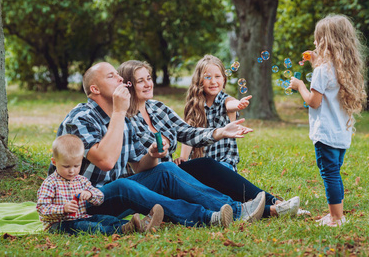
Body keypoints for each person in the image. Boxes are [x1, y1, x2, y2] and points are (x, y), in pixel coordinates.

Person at [48, 62, 266, 228]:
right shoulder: (80, 118)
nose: (119, 79)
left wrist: (152, 154)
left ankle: (237, 210)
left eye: (118, 74)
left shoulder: (123, 117)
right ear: (95, 89)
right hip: (78, 201)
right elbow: (105, 161)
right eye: (111, 76)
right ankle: (207, 217)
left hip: (111, 197)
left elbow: (140, 167)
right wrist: (118, 112)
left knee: (166, 169)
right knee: (124, 185)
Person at [118, 60, 302, 219]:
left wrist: (220, 132)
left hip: (173, 173)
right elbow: (137, 167)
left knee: (206, 165)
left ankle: (276, 202)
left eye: (148, 78)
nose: (148, 84)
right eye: (140, 81)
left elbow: (189, 133)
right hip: (154, 181)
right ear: (127, 85)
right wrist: (153, 154)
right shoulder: (124, 118)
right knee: (193, 184)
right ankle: (267, 211)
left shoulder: (158, 108)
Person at [289, 14, 367, 227]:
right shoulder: (344, 69)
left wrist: (299, 86)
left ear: (325, 42)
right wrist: (316, 63)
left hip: (325, 134)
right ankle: (336, 214)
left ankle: (336, 218)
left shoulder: (322, 71)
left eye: (317, 39)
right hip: (341, 134)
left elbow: (314, 102)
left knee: (330, 175)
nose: (314, 43)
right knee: (335, 173)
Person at [38, 134, 164, 235]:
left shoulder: (81, 180)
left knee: (105, 219)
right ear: (54, 162)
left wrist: (90, 194)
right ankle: (124, 230)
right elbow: (42, 209)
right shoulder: (50, 183)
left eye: (76, 166)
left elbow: (100, 198)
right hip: (59, 225)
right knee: (88, 227)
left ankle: (140, 224)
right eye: (66, 166)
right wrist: (63, 209)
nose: (72, 171)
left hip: (83, 217)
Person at [179, 55, 251, 172]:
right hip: (202, 165)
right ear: (199, 80)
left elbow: (230, 104)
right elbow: (189, 135)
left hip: (224, 165)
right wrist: (183, 158)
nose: (213, 81)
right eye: (207, 77)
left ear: (224, 79)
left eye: (217, 76)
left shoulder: (224, 100)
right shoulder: (195, 105)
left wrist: (238, 104)